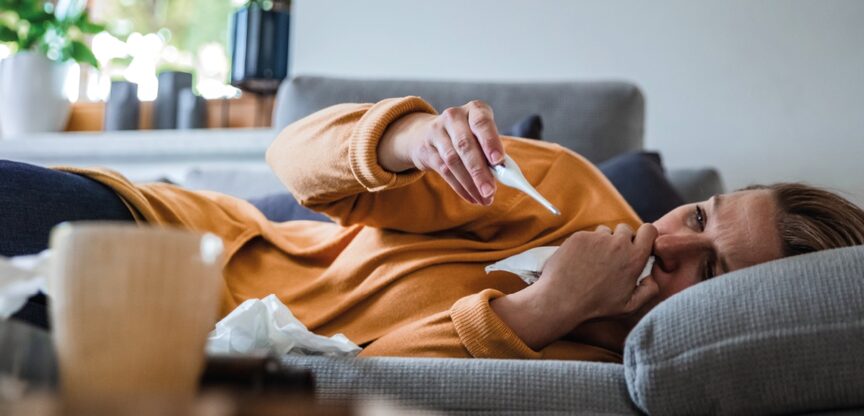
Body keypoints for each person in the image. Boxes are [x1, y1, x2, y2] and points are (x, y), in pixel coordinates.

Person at [4, 96, 864, 361]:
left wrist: (541, 310)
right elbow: (292, 161)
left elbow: (367, 377)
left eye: (707, 275)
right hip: (173, 237)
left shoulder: (596, 361)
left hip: (198, 345)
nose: (669, 243)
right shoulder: (562, 188)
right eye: (698, 217)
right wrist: (407, 138)